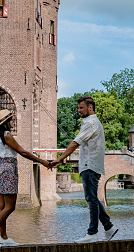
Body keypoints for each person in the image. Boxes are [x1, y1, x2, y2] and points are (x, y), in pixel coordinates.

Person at [49, 95, 118, 243]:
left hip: (89, 165)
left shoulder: (91, 123)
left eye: (81, 107)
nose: (79, 110)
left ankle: (92, 233)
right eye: (78, 108)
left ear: (90, 107)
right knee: (92, 197)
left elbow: (75, 143)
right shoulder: (91, 122)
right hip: (91, 165)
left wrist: (60, 159)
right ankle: (108, 227)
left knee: (91, 199)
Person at [0, 109, 50, 248]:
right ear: (6, 122)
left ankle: (4, 237)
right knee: (10, 206)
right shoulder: (7, 136)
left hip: (1, 169)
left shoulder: (0, 136)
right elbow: (23, 151)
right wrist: (42, 161)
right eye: (12, 120)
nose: (13, 122)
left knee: (2, 206)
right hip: (8, 171)